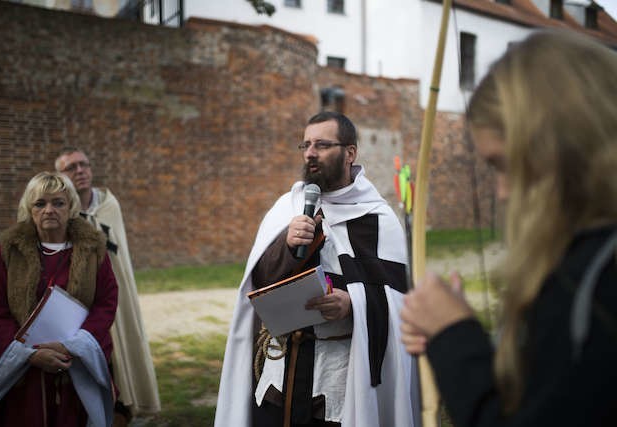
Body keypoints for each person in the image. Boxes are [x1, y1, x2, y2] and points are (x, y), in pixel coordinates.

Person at [400, 30, 617, 427]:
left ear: (565, 147)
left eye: (504, 164)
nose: (501, 192)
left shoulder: (598, 281)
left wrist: (454, 336)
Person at [215, 111, 418, 427]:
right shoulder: (289, 207)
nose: (310, 153)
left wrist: (353, 303)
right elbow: (259, 282)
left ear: (350, 153)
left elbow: (401, 300)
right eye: (306, 144)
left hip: (337, 378)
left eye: (322, 145)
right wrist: (287, 246)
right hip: (279, 375)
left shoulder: (379, 218)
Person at [0, 171, 118, 426]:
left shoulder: (92, 249)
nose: (49, 210)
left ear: (71, 206)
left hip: (75, 363)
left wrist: (72, 346)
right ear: (29, 209)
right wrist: (29, 354)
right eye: (40, 203)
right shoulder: (9, 251)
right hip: (21, 372)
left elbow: (106, 303)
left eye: (58, 202)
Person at [55, 147, 161, 422]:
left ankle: (122, 410)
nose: (80, 171)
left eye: (84, 165)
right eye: (71, 168)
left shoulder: (109, 207)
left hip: (117, 294)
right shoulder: (60, 213)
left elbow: (119, 255)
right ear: (60, 176)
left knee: (121, 355)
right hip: (82, 301)